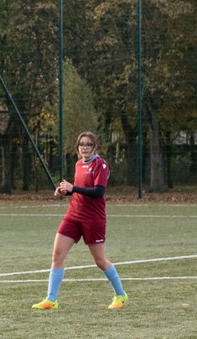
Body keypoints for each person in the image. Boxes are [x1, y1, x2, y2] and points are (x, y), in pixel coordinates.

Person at [32, 131, 128, 311]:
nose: (84, 147)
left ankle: (121, 295)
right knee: (57, 255)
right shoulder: (78, 164)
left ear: (95, 147)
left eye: (88, 144)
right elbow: (79, 190)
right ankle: (51, 299)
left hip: (93, 219)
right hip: (73, 216)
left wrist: (73, 188)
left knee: (100, 260)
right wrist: (65, 191)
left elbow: (98, 192)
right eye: (81, 144)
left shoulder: (101, 165)